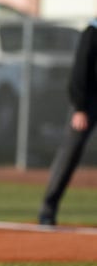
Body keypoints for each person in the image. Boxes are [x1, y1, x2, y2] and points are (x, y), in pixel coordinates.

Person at [38, 17, 97, 225]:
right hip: (89, 101)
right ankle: (48, 208)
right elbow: (80, 70)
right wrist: (80, 107)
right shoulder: (92, 30)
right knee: (70, 152)